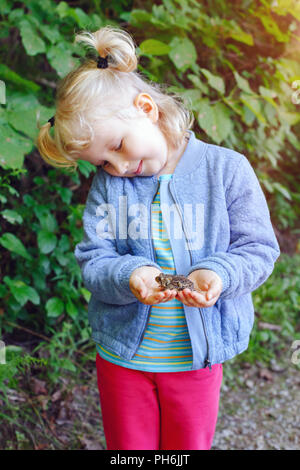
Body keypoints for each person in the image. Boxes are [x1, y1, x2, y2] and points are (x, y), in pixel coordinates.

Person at [36, 25, 281, 451]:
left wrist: (218, 272)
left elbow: (258, 248)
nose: (116, 166)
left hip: (194, 359)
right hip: (123, 360)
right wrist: (131, 274)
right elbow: (94, 257)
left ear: (146, 108)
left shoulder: (225, 170)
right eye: (103, 162)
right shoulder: (109, 186)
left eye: (117, 146)